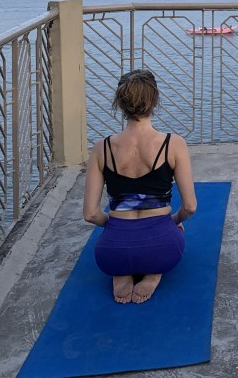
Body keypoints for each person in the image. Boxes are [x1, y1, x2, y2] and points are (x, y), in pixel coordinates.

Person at [83, 69, 197, 303]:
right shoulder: (173, 144)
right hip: (163, 248)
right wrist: (173, 221)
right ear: (155, 101)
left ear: (120, 104)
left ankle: (122, 272)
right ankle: (153, 274)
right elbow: (190, 207)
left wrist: (115, 224)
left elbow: (91, 214)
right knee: (165, 242)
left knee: (121, 252)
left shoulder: (101, 148)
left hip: (111, 254)